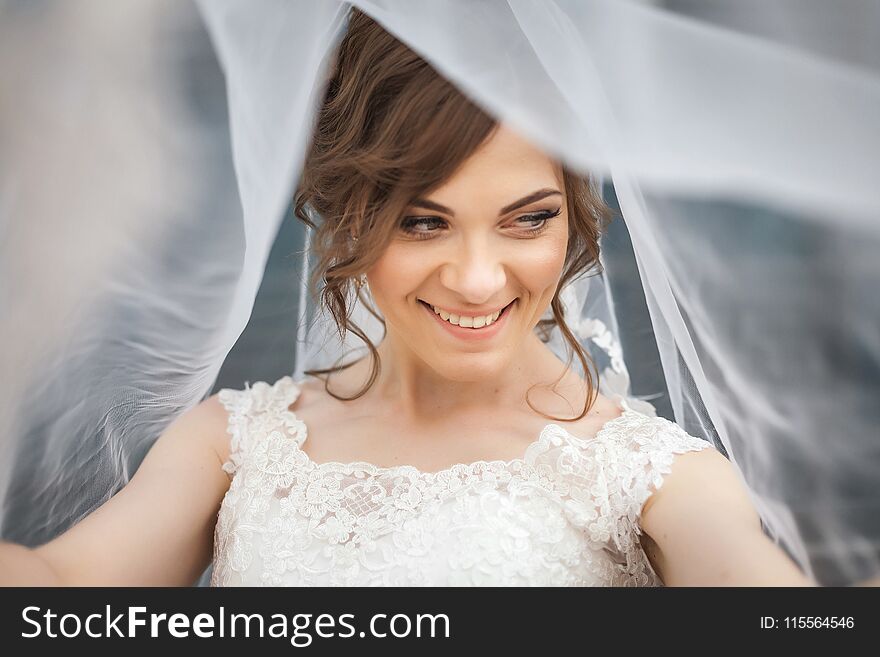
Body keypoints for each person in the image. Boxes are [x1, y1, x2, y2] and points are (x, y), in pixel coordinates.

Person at [0, 8, 815, 587]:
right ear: (346, 214)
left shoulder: (651, 477)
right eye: (423, 224)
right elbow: (60, 584)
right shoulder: (234, 444)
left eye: (527, 221)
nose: (477, 278)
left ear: (576, 214)